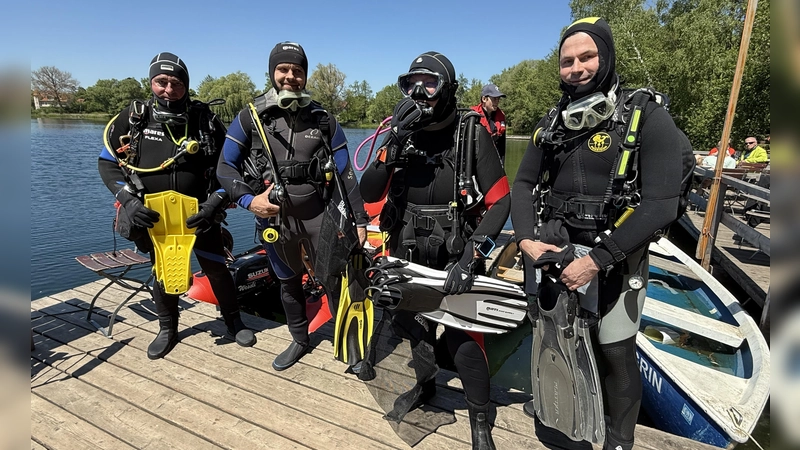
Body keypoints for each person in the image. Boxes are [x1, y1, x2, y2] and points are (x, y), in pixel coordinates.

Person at [511, 18, 683, 450]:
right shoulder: (552, 121)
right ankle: (560, 420)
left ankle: (618, 440)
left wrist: (595, 261)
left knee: (615, 353)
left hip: (615, 259)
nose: (576, 68)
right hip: (554, 253)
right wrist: (527, 238)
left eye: (587, 57)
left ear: (605, 57)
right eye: (567, 61)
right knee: (554, 337)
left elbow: (661, 204)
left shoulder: (646, 115)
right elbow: (522, 185)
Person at [359, 51, 511, 450]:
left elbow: (502, 202)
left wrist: (473, 256)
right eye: (411, 84)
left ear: (448, 88)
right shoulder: (399, 132)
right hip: (406, 247)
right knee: (415, 330)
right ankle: (425, 389)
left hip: (457, 252)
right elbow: (368, 192)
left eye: (429, 83)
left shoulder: (470, 131)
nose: (419, 92)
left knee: (465, 339)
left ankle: (481, 419)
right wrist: (392, 141)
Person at [217, 42, 368, 371]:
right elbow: (224, 168)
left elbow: (345, 173)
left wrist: (360, 220)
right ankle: (300, 340)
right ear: (272, 73)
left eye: (297, 71)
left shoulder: (323, 119)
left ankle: (351, 348)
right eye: (283, 70)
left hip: (319, 217)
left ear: (305, 75)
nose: (290, 77)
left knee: (334, 281)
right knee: (288, 282)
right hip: (276, 222)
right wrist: (248, 200)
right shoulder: (251, 117)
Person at [99, 52, 256, 360]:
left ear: (186, 85)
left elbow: (235, 168)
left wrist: (215, 201)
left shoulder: (205, 121)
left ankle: (233, 320)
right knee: (163, 270)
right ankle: (167, 328)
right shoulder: (134, 118)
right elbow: (107, 164)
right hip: (153, 215)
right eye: (161, 82)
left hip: (201, 213)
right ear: (151, 82)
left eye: (176, 83)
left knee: (216, 268)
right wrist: (127, 200)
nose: (168, 90)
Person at [471, 83, 507, 164]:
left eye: (498, 99)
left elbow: (502, 147)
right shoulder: (473, 116)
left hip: (493, 161)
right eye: (494, 99)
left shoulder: (501, 117)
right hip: (476, 162)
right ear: (484, 99)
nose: (497, 102)